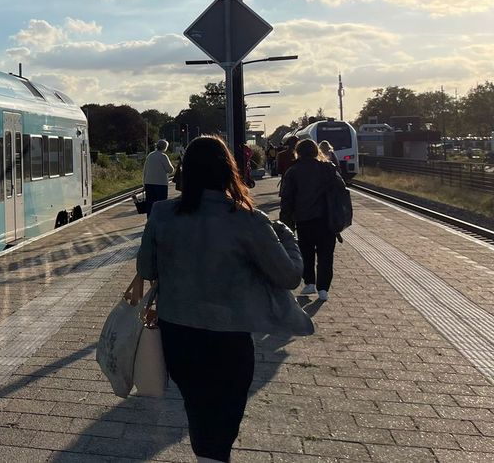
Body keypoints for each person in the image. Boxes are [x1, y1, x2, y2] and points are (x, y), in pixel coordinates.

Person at [137, 135, 308, 463]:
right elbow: (289, 276)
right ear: (227, 170)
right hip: (229, 339)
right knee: (225, 414)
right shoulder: (248, 220)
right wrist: (286, 235)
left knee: (197, 407)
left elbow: (146, 267)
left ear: (186, 172)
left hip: (178, 334)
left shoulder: (161, 214)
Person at [280, 138, 344, 301]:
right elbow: (341, 190)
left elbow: (286, 198)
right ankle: (324, 289)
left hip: (303, 218)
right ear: (317, 152)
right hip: (327, 219)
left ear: (298, 152)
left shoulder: (293, 171)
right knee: (326, 254)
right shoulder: (328, 168)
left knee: (306, 251)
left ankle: (309, 283)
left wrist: (285, 222)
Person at [142, 140, 175, 215]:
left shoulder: (150, 155)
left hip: (149, 183)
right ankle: (160, 219)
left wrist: (144, 183)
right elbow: (170, 170)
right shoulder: (163, 156)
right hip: (161, 184)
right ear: (165, 147)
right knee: (161, 204)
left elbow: (145, 170)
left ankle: (150, 220)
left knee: (150, 204)